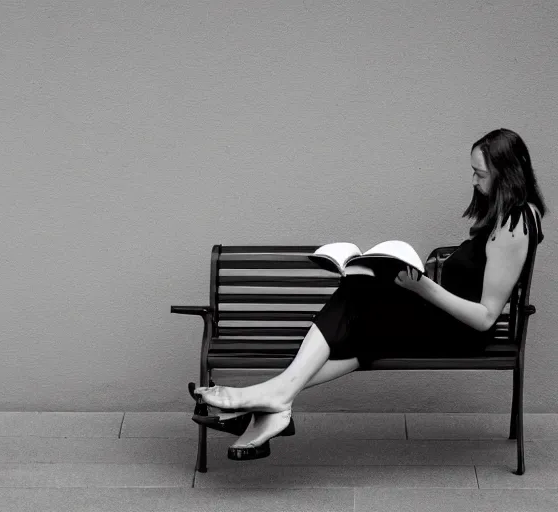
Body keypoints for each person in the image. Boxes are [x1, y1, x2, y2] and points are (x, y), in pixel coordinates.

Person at [191, 128, 548, 461]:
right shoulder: (506, 216)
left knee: (356, 301)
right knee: (359, 302)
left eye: (480, 174)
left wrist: (423, 287)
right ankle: (272, 404)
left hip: (462, 333)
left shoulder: (516, 226)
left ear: (506, 172)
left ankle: (269, 397)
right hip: (441, 319)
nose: (473, 180)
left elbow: (485, 317)